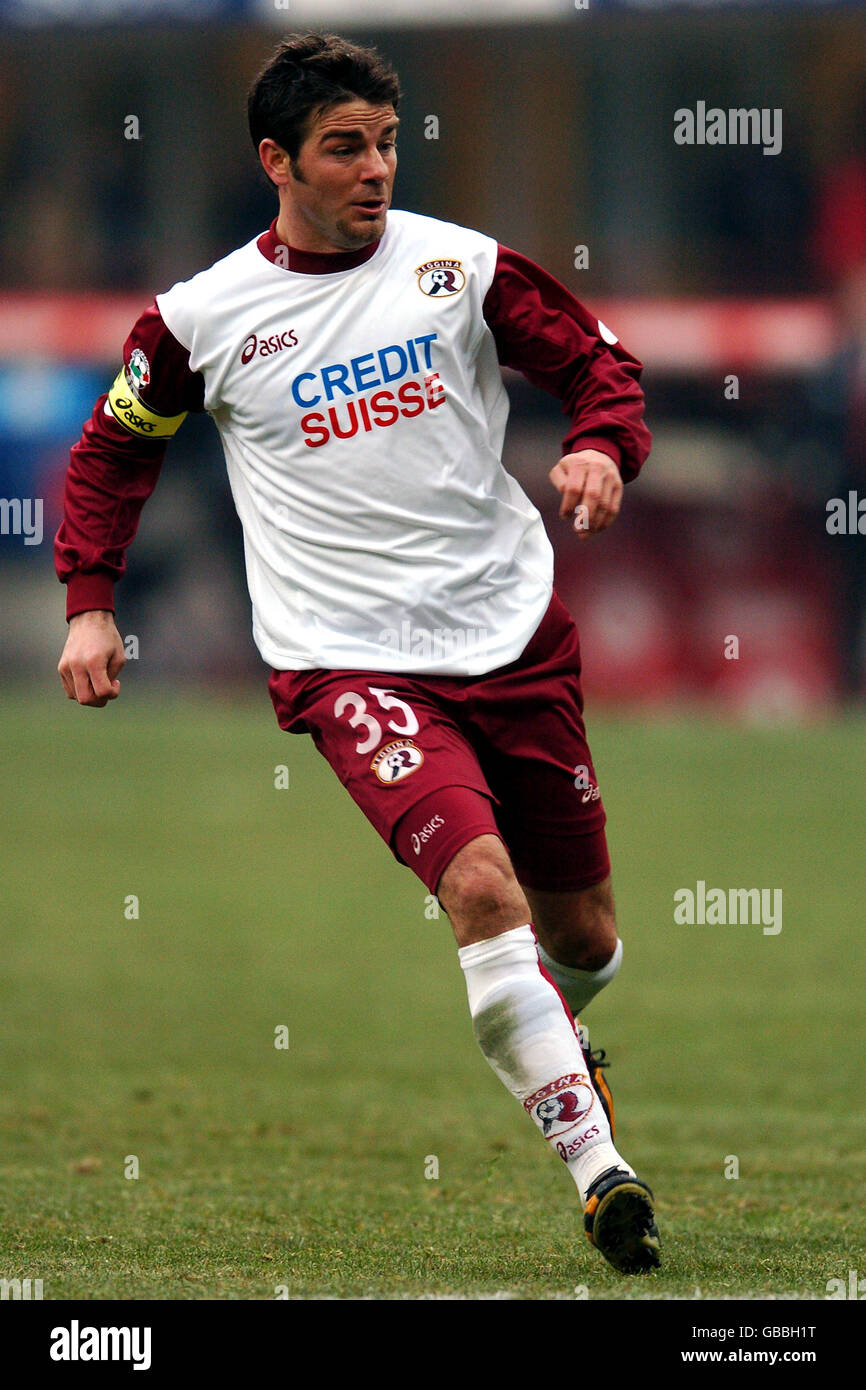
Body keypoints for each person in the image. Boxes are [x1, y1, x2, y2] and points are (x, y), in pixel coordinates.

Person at [55, 31, 660, 1274]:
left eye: (387, 143)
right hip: (347, 660)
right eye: (344, 147)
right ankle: (599, 1170)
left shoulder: (459, 269)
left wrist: (601, 443)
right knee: (480, 891)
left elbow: (596, 364)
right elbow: (115, 449)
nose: (375, 168)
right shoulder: (197, 320)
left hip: (510, 632)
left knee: (586, 936)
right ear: (276, 160)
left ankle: (554, 1029)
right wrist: (89, 599)